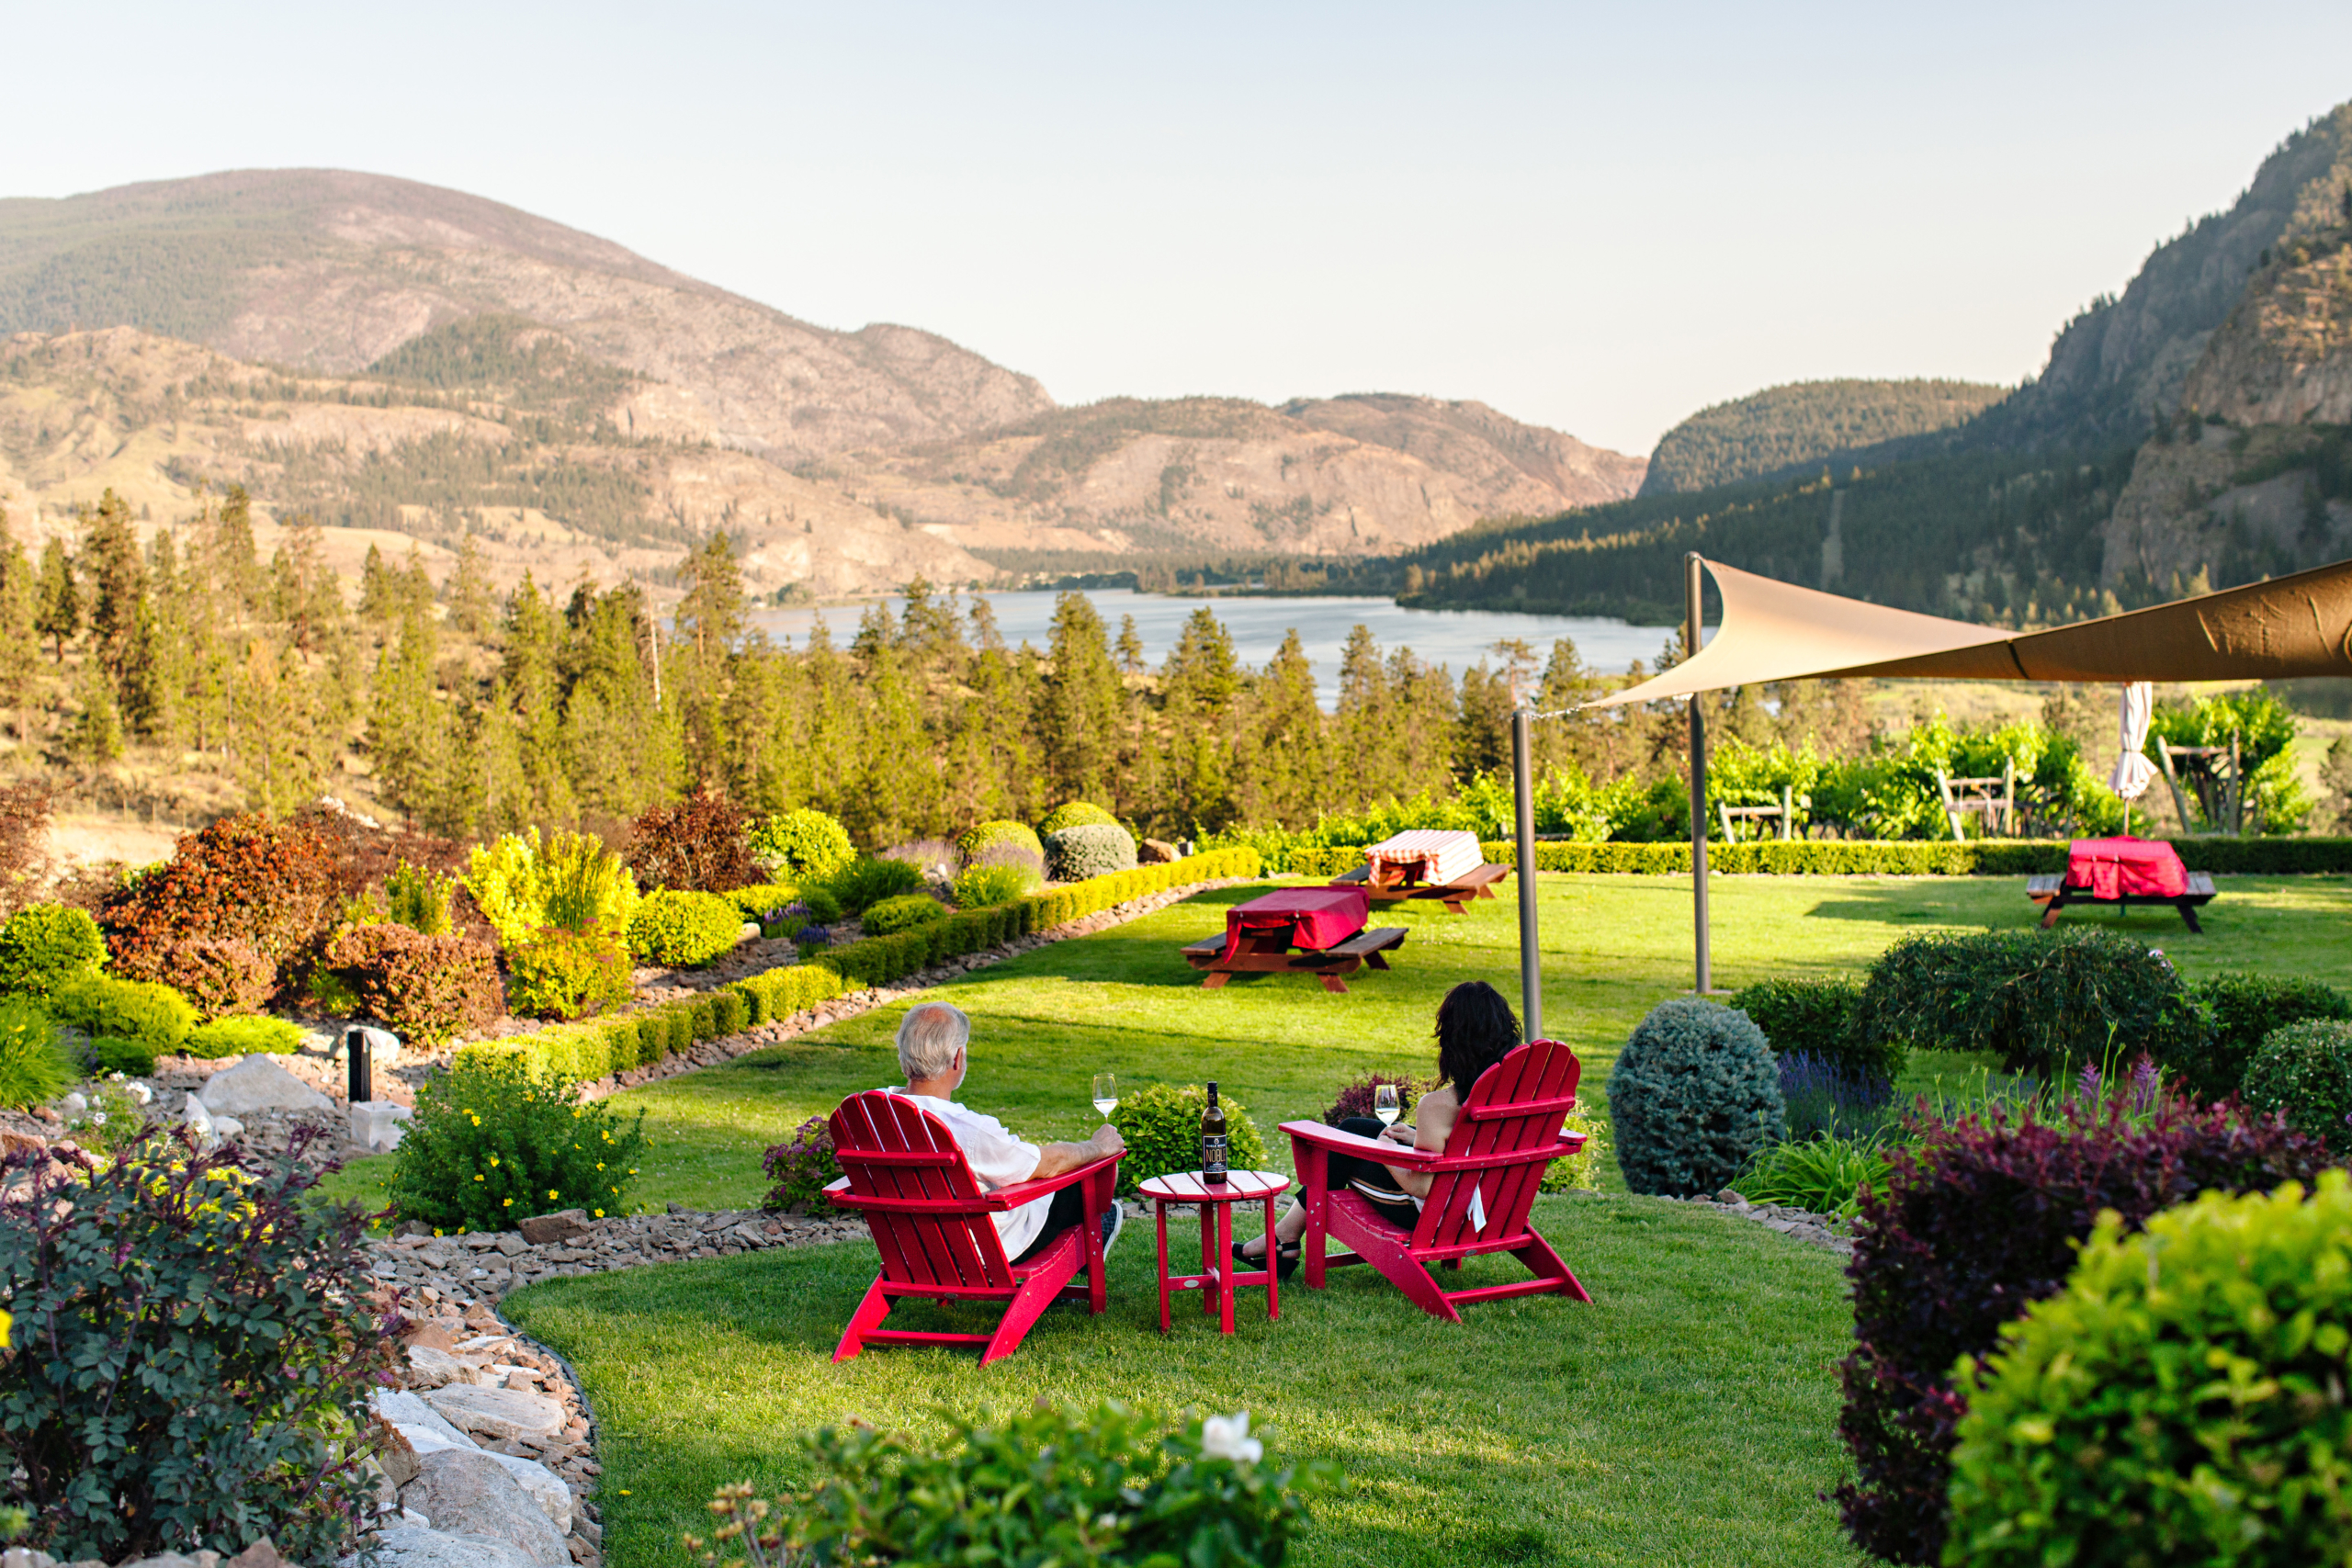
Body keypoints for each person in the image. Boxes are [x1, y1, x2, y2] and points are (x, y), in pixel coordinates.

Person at [1238, 979, 1523, 1278]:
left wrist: (1386, 1153)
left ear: (1453, 1038)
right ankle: (1285, 1236)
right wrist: (1416, 1135)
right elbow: (1479, 1143)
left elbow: (1422, 1187)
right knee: (1352, 1128)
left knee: (1334, 1151)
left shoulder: (1440, 1105)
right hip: (1488, 1203)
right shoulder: (1517, 1090)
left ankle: (1283, 1240)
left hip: (1433, 1214)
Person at [885, 1000, 1126, 1264]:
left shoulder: (875, 1111)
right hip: (982, 1251)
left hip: (914, 1250)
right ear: (957, 1058)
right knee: (1081, 1181)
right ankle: (1091, 1241)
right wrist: (1098, 1148)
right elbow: (1043, 1165)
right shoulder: (969, 1130)